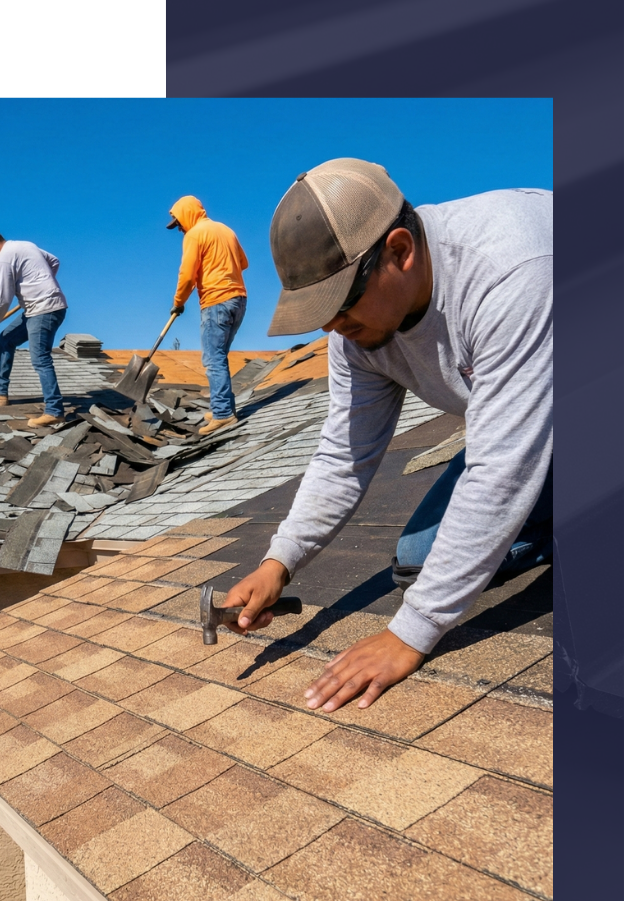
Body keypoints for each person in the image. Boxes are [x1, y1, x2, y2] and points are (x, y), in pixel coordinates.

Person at [223, 158, 552, 713]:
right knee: (420, 563)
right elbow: (344, 456)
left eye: (341, 305)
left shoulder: (511, 269)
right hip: (537, 426)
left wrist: (410, 634)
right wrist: (279, 561)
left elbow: (501, 468)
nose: (332, 328)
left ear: (399, 251)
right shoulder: (355, 333)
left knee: (451, 570)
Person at [167, 197, 250, 436]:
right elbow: (242, 263)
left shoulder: (194, 234)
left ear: (187, 215)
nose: (180, 228)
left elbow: (187, 274)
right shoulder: (225, 230)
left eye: (179, 223)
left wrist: (178, 303)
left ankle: (223, 414)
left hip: (217, 301)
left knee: (213, 359)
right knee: (220, 355)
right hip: (239, 299)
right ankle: (221, 405)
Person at [0, 227, 69, 429]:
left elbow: (4, 297)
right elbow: (54, 261)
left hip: (44, 310)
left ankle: (54, 411)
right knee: (6, 339)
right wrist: (40, 282)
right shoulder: (25, 245)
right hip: (40, 308)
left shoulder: (3, 259)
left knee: (40, 358)